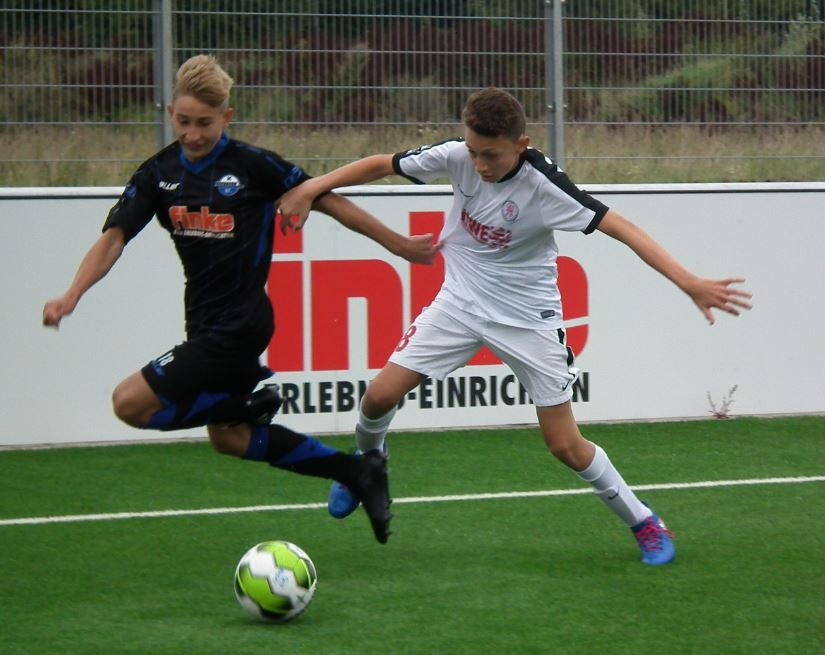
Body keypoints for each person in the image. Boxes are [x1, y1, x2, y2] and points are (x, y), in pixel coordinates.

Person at [276, 87, 753, 565]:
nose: (479, 165)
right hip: (459, 304)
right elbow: (383, 164)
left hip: (528, 321)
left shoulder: (544, 187)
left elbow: (621, 228)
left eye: (491, 155)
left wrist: (688, 281)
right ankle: (365, 465)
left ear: (521, 145)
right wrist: (313, 187)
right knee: (378, 397)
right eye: (473, 152)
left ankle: (644, 521)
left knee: (564, 446)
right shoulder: (458, 155)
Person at [42, 54, 439, 545]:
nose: (192, 134)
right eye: (184, 121)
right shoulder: (159, 173)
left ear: (226, 118)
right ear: (170, 113)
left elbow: (328, 199)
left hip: (241, 325)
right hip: (203, 324)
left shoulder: (252, 166)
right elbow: (114, 238)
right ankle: (355, 470)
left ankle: (248, 404)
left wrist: (398, 244)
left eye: (204, 123)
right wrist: (72, 294)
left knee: (130, 404)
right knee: (230, 438)